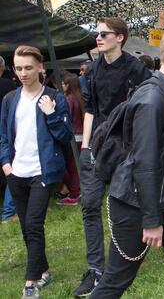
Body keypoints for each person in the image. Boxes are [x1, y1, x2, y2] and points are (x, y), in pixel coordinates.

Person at [91, 27, 164, 298]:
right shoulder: (153, 98)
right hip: (135, 204)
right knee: (116, 281)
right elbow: (145, 163)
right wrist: (151, 219)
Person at [75, 17, 152, 297]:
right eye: (97, 33)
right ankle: (95, 269)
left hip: (127, 147)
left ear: (119, 37)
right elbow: (91, 109)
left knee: (126, 204)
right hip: (97, 146)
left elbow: (147, 107)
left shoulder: (136, 69)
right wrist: (86, 148)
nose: (98, 38)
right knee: (90, 206)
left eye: (103, 33)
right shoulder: (92, 70)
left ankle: (127, 257)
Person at [1, 45, 73, 298]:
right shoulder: (10, 99)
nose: (23, 73)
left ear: (40, 68)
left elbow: (65, 137)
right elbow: (3, 135)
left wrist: (51, 114)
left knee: (33, 225)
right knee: (26, 228)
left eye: (28, 68)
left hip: (42, 172)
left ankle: (31, 282)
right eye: (18, 68)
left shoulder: (54, 97)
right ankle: (44, 271)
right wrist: (5, 163)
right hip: (16, 172)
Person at [58, 73, 83, 205]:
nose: (61, 85)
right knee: (74, 167)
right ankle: (76, 192)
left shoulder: (69, 99)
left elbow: (66, 118)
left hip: (72, 136)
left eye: (63, 83)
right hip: (81, 136)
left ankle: (74, 194)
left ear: (68, 85)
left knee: (66, 167)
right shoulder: (80, 97)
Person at [1, 55, 18, 224]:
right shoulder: (9, 88)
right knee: (13, 171)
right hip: (7, 132)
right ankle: (7, 212)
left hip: (5, 133)